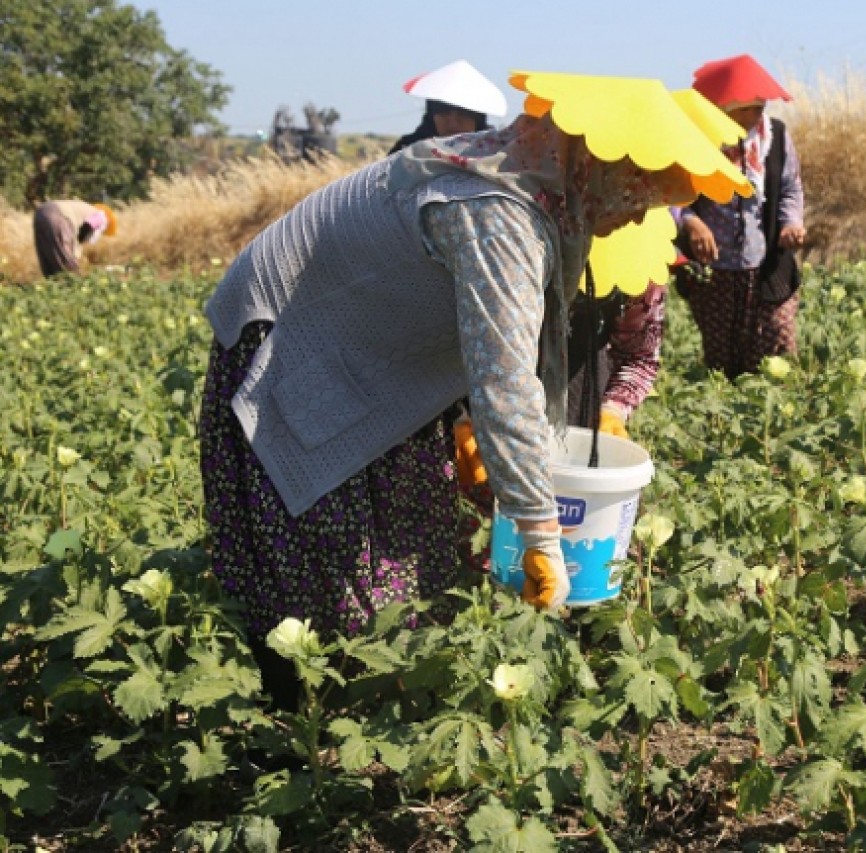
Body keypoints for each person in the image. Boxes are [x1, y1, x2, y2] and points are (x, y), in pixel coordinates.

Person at [199, 71, 750, 708]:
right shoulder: (495, 211)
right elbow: (505, 377)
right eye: (638, 195)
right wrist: (540, 532)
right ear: (600, 167)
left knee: (413, 538)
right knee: (322, 567)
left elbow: (509, 344)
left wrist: (495, 445)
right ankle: (310, 721)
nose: (634, 216)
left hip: (381, 352)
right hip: (294, 340)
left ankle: (388, 693)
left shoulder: (540, 188)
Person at [673, 54, 806, 378]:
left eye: (759, 108)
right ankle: (729, 409)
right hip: (714, 270)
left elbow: (789, 188)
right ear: (725, 108)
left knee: (777, 344)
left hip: (767, 265)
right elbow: (672, 195)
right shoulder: (698, 140)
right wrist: (692, 222)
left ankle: (775, 408)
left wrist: (791, 223)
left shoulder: (775, 137)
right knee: (723, 360)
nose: (754, 116)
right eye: (746, 109)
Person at [389, 59, 508, 155]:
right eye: (443, 110)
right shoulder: (406, 152)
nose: (453, 120)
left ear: (478, 117)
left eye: (464, 112)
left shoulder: (496, 154)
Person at [32, 199, 117, 277]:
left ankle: (52, 283)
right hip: (58, 217)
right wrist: (79, 242)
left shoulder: (84, 209)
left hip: (40, 213)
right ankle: (73, 284)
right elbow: (87, 226)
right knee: (67, 264)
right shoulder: (101, 216)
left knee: (49, 259)